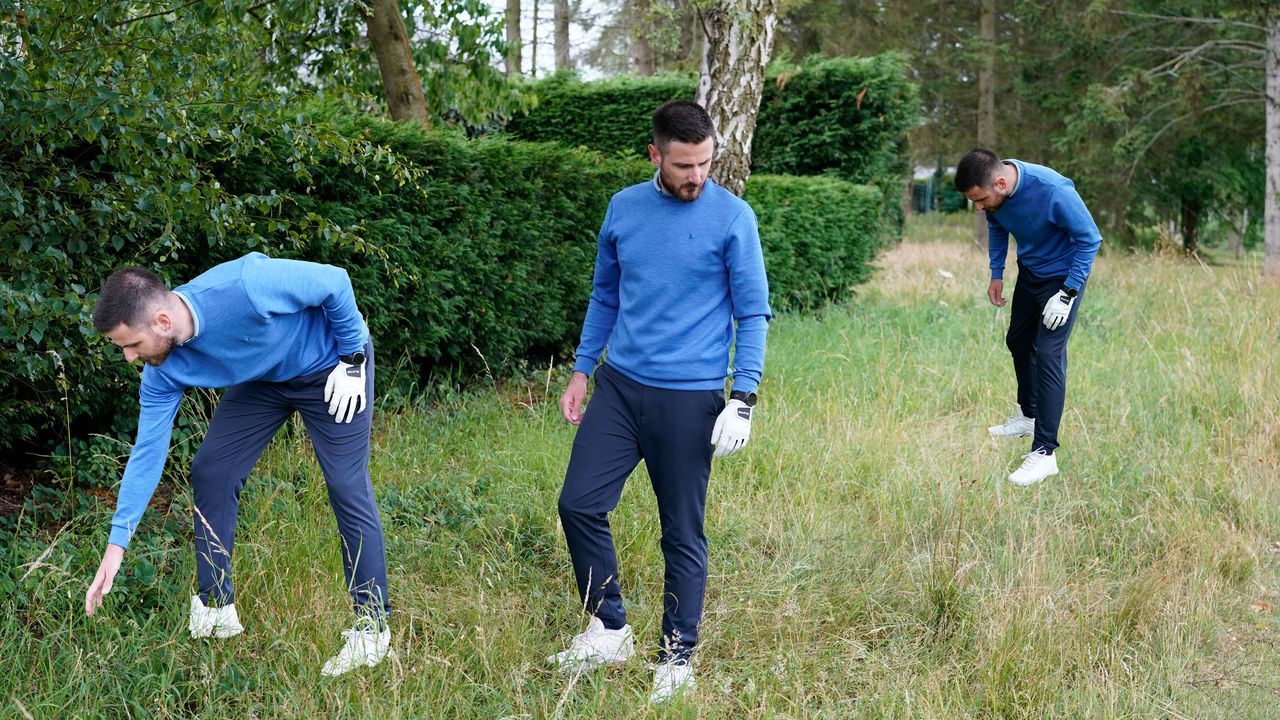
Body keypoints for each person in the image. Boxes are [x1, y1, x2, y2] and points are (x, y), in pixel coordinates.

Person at [546, 100, 772, 704]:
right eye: (682, 165)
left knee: (682, 531)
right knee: (578, 503)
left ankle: (677, 656)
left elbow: (753, 312)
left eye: (704, 163)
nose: (696, 176)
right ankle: (609, 626)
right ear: (655, 155)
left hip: (690, 396)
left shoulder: (734, 218)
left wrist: (742, 397)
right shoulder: (624, 208)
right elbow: (605, 295)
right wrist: (580, 370)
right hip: (620, 387)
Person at [84, 252, 392, 676]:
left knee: (345, 483)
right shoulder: (164, 369)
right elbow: (148, 451)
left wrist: (353, 357)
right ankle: (216, 608)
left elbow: (335, 281)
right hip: (266, 380)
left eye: (132, 345)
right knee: (212, 468)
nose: (130, 358)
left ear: (161, 322)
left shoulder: (246, 285)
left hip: (329, 366)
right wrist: (117, 545)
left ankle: (371, 628)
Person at [954, 148, 1102, 486]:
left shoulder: (1053, 190)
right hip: (1031, 273)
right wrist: (996, 273)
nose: (978, 207)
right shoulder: (996, 198)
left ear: (1001, 183)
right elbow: (997, 226)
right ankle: (1029, 415)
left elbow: (1090, 239)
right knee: (1018, 341)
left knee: (1049, 353)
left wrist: (1068, 293)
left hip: (1063, 279)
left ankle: (1045, 453)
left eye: (980, 199)